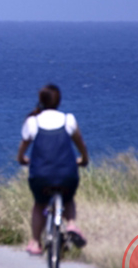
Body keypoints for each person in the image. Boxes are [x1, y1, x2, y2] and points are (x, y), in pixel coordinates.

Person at [16, 83, 89, 256]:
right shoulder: (68, 119)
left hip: (41, 175)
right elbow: (81, 144)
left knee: (39, 203)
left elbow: (23, 148)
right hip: (66, 173)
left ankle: (34, 242)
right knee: (68, 197)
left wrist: (21, 160)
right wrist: (84, 160)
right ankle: (71, 224)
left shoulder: (33, 121)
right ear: (59, 101)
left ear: (41, 100)